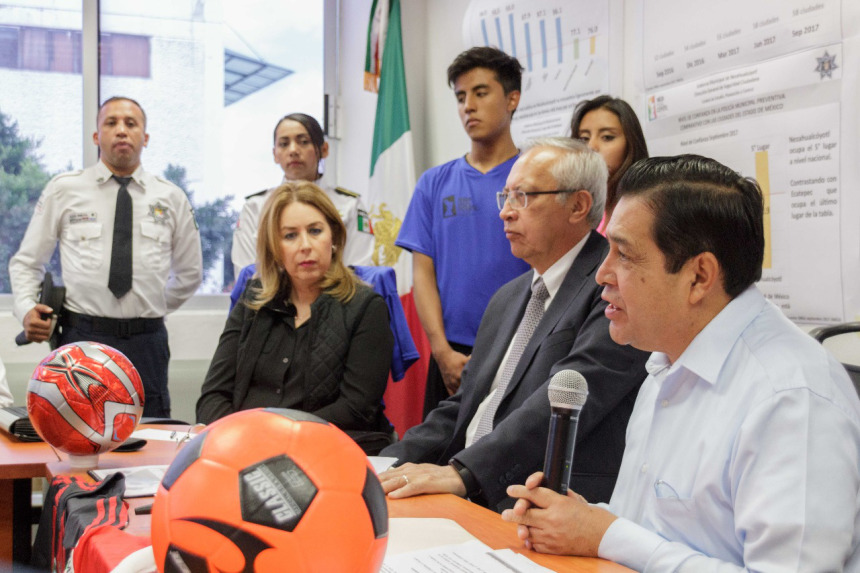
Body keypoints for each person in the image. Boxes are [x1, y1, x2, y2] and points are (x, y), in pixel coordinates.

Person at [503, 155, 860, 571]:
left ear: (699, 277)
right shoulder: (665, 362)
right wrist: (581, 521)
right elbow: (657, 532)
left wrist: (607, 535)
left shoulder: (791, 399)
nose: (602, 274)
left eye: (624, 254)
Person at [378, 138, 649, 511]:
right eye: (505, 197)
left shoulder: (613, 287)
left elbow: (561, 405)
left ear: (578, 205)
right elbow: (464, 406)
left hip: (542, 499)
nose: (505, 212)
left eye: (523, 197)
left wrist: (465, 473)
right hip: (468, 487)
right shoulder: (507, 297)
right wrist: (381, 466)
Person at [9, 96, 202, 418]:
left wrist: (148, 306)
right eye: (111, 123)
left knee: (149, 433)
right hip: (82, 337)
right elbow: (27, 262)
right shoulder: (65, 189)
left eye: (131, 123)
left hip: (146, 343)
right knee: (75, 428)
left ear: (145, 137)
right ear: (97, 136)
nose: (121, 130)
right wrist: (27, 308)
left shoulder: (171, 197)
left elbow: (190, 273)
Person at [197, 181, 395, 453]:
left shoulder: (365, 307)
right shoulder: (253, 300)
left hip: (326, 452)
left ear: (334, 238)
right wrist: (240, 440)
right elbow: (213, 396)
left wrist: (275, 438)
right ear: (274, 247)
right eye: (290, 235)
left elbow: (356, 408)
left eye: (315, 231)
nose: (305, 245)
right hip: (246, 450)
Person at [396, 46, 531, 418]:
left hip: (522, 350)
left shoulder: (536, 180)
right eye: (460, 97)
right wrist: (441, 352)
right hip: (451, 356)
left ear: (512, 99)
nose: (468, 106)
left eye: (481, 93)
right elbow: (423, 274)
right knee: (440, 451)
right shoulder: (433, 183)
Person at [231, 113, 373, 277]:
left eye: (304, 142)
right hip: (270, 293)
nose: (293, 150)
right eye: (284, 144)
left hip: (339, 292)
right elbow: (247, 274)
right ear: (275, 154)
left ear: (324, 149)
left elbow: (359, 270)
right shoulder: (255, 207)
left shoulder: (349, 205)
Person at [571, 95, 648, 233]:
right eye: (584, 139)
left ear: (631, 143)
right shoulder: (582, 209)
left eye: (607, 137)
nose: (591, 146)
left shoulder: (649, 207)